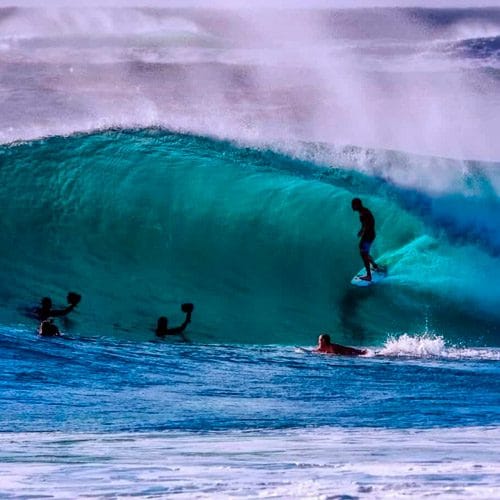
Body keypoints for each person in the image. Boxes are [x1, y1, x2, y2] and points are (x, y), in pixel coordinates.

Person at [351, 198, 380, 282]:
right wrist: (361, 230)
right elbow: (367, 223)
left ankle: (368, 276)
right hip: (370, 234)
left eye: (353, 205)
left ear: (357, 205)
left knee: (364, 254)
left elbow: (368, 224)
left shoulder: (363, 213)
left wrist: (363, 232)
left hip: (368, 235)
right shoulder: (363, 211)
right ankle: (374, 265)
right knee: (363, 252)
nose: (352, 206)